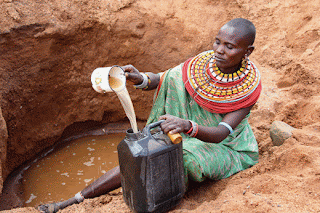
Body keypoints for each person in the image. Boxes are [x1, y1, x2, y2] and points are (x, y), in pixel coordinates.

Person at [38, 18, 261, 213]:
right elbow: (167, 77)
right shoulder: (201, 64)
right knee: (155, 142)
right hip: (187, 131)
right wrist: (141, 78)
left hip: (227, 147)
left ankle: (167, 192)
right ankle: (76, 198)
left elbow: (221, 134)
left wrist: (186, 125)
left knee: (179, 155)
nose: (219, 50)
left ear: (247, 51)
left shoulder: (247, 88)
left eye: (229, 47)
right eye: (217, 42)